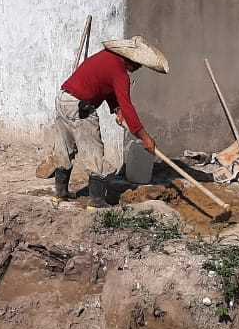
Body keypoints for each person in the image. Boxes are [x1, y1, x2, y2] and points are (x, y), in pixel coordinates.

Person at [52, 36, 167, 208]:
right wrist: (145, 138)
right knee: (94, 149)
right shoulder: (120, 73)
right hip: (81, 106)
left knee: (65, 146)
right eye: (138, 64)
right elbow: (129, 108)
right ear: (130, 59)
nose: (137, 68)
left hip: (63, 99)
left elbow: (107, 89)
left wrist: (117, 109)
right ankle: (96, 200)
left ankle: (60, 193)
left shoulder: (106, 57)